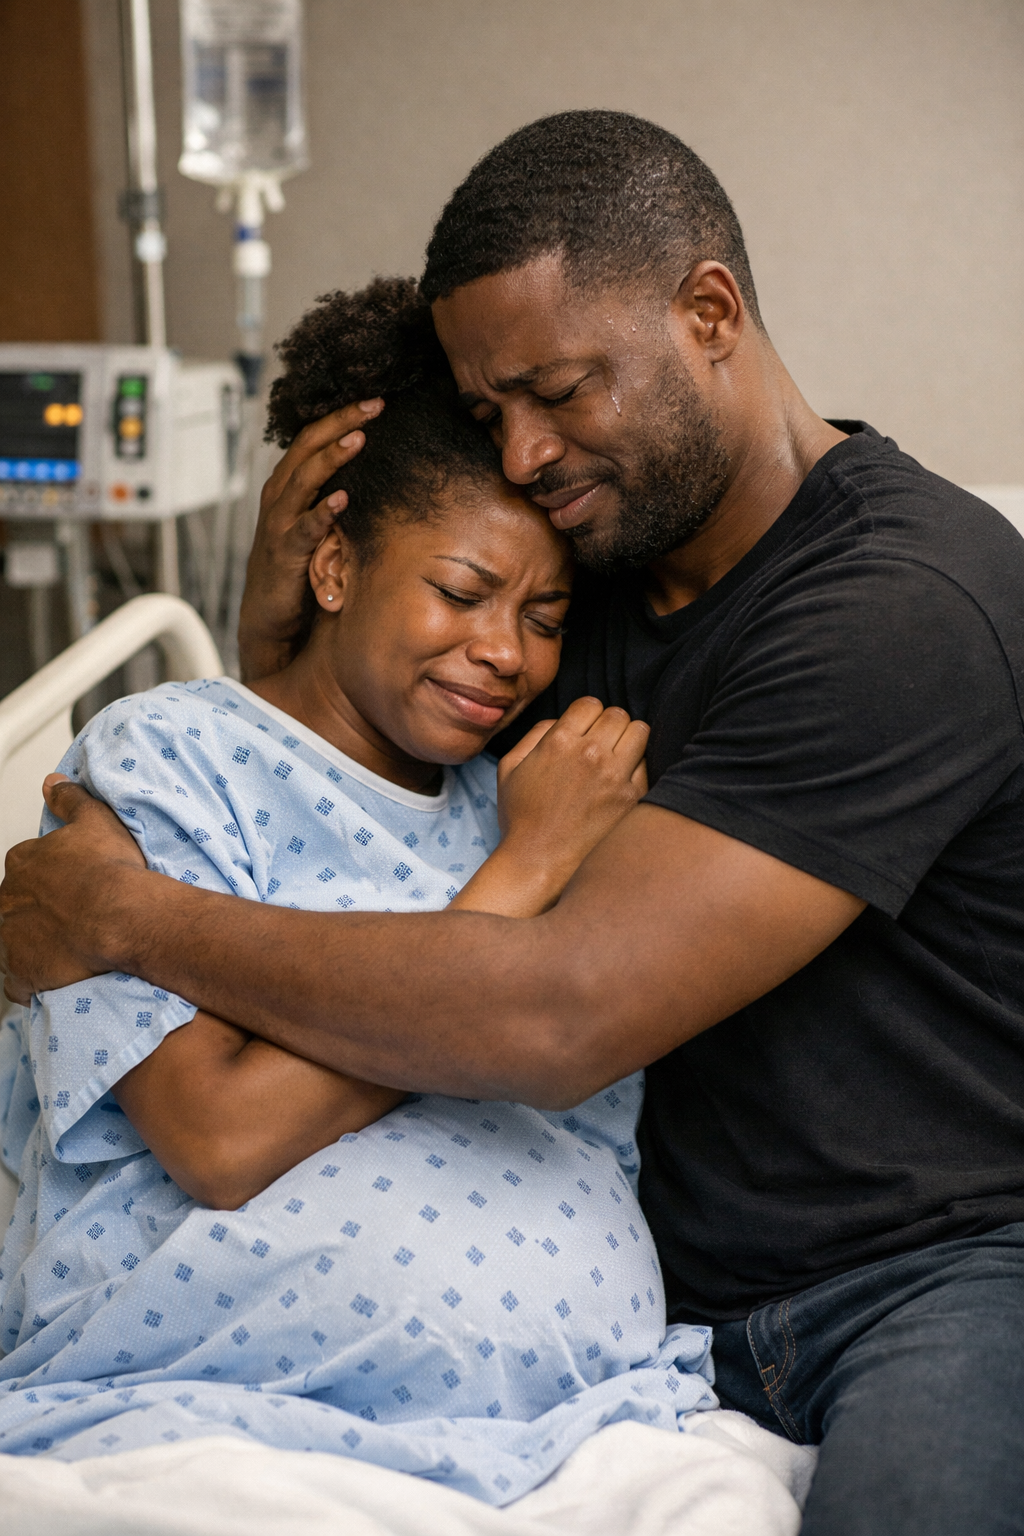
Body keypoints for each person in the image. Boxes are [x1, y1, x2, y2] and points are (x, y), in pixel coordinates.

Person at [3, 111, 1023, 1536]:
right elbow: (350, 794)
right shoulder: (578, 590)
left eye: (557, 391)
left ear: (710, 312)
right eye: (493, 418)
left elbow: (561, 1015)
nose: (530, 453)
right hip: (670, 1322)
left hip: (932, 1272)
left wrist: (128, 916)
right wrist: (279, 662)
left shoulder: (906, 608)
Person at [0, 278, 719, 1497]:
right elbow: (219, 1139)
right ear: (332, 565)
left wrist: (540, 850)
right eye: (460, 592)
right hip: (216, 1396)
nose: (506, 651)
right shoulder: (169, 763)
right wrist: (523, 877)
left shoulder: (526, 799)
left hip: (581, 1420)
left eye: (543, 615)